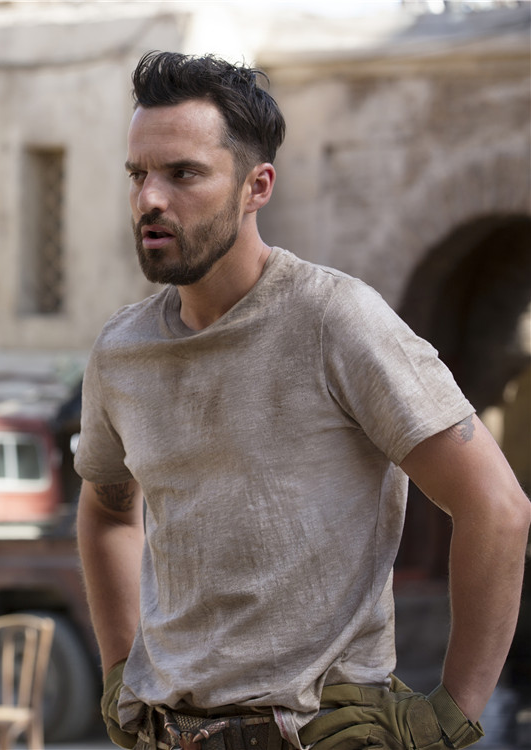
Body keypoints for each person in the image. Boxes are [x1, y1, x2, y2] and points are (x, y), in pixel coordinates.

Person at [75, 51, 529, 750]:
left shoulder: (334, 319)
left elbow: (496, 507)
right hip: (170, 731)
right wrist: (117, 672)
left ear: (255, 187)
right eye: (138, 174)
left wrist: (450, 718)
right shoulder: (121, 349)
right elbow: (107, 511)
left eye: (183, 173)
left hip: (321, 729)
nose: (150, 199)